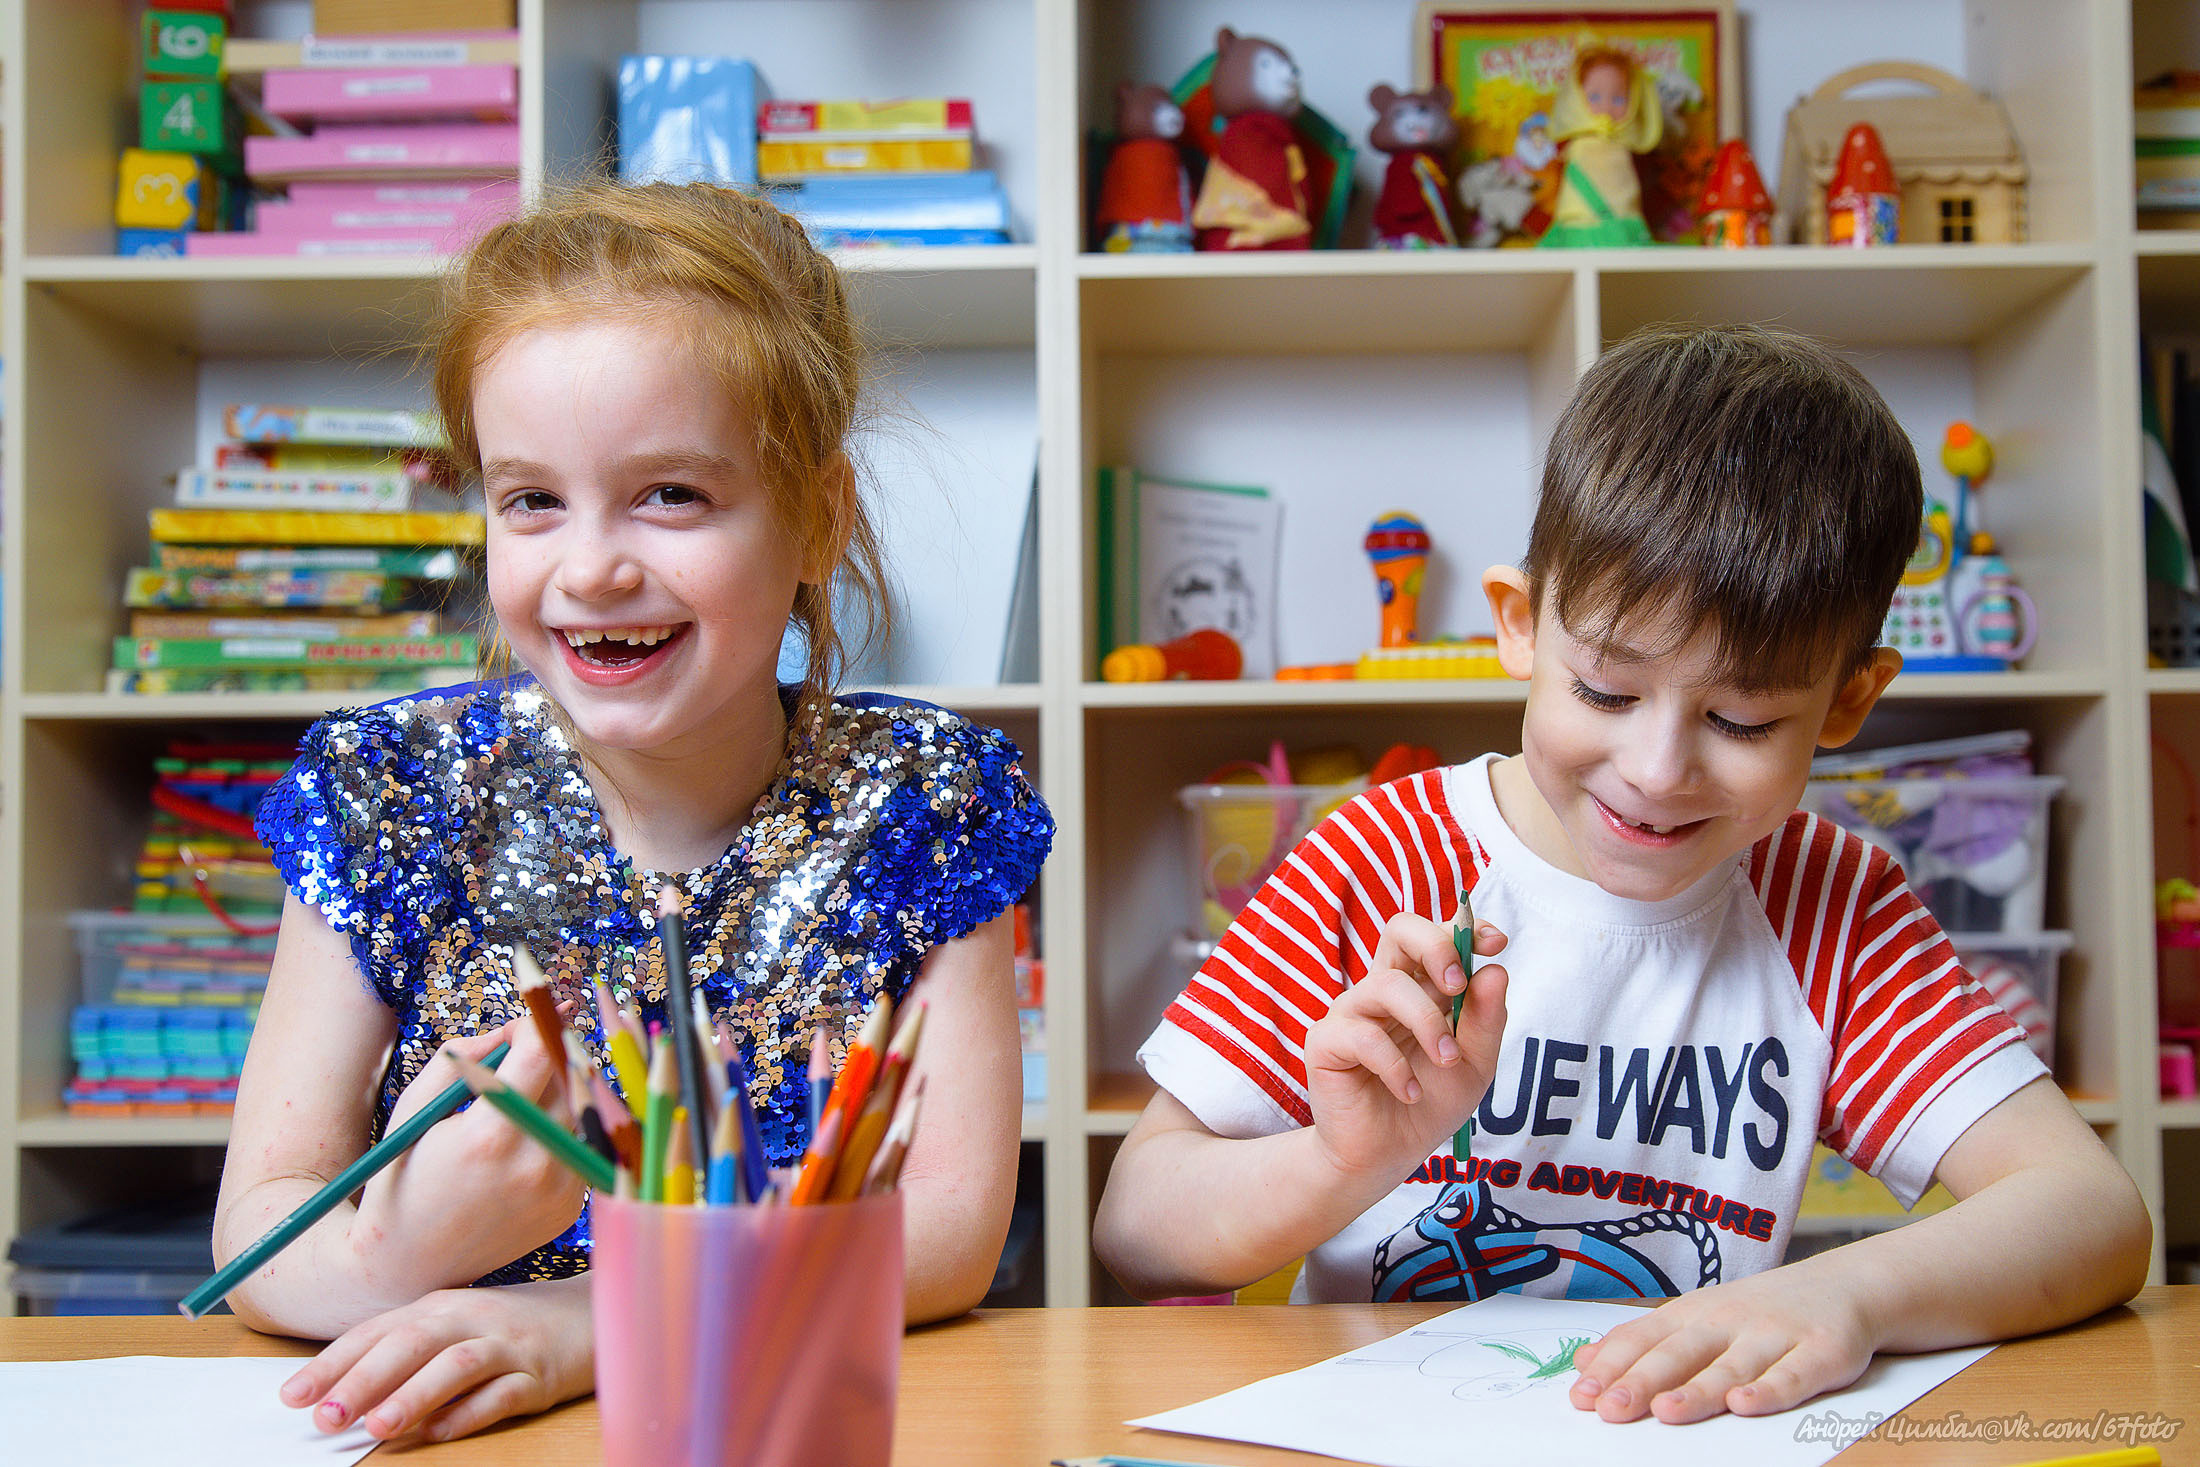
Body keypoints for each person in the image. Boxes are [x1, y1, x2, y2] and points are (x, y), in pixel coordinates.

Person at [1093, 324, 2150, 1425]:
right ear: (1519, 627)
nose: (1655, 772)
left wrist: (1849, 1293)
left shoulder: (1828, 899)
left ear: (1846, 703)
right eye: (1603, 691)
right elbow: (1135, 1230)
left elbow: (2089, 1211)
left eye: (1741, 719)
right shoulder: (1379, 858)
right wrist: (1336, 1161)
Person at [211, 182, 1054, 1444]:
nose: (591, 567)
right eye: (530, 500)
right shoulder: (392, 788)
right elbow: (257, 1230)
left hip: (767, 1417)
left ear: (819, 517)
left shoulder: (918, 797)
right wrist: (401, 1246)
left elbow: (944, 1236)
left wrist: (602, 1325)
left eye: (670, 495)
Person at [1537, 43, 1660, 247]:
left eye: (1619, 99)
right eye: (1594, 97)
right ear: (1576, 99)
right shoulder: (1578, 145)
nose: (1606, 107)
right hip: (1580, 225)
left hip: (1625, 224)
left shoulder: (1625, 145)